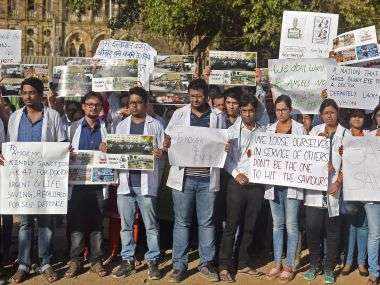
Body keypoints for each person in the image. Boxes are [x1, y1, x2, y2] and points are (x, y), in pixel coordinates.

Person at [164, 79, 226, 283]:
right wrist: (168, 143)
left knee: (207, 222)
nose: (195, 99)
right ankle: (179, 265)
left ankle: (206, 263)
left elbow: (223, 141)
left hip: (208, 179)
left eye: (199, 96)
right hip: (184, 177)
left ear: (207, 96)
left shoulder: (217, 116)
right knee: (181, 222)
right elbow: (168, 139)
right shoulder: (179, 114)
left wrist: (225, 147)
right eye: (192, 96)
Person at [6, 77, 66, 283]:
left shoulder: (53, 116)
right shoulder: (14, 117)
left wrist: (66, 151)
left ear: (40, 94)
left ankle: (45, 262)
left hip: (47, 178)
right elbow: (10, 146)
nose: (27, 96)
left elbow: (62, 143)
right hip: (23, 179)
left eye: (32, 92)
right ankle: (23, 264)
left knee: (46, 223)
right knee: (24, 223)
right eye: (24, 92)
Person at [109, 87, 165, 280]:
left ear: (145, 103)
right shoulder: (121, 126)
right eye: (131, 102)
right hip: (125, 182)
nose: (134, 105)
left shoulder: (156, 125)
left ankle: (153, 260)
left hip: (146, 183)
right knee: (126, 225)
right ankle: (127, 260)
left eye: (138, 102)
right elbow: (115, 153)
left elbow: (163, 153)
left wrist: (160, 153)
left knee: (151, 225)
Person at [218, 94, 265, 282]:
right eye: (244, 111)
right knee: (231, 226)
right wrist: (237, 174)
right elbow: (224, 159)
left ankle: (243, 263)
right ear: (240, 111)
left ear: (256, 111)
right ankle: (223, 265)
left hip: (256, 185)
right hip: (236, 184)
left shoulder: (264, 131)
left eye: (250, 110)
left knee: (250, 227)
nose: (247, 114)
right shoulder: (229, 132)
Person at [64, 92, 109, 278]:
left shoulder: (108, 129)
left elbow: (115, 156)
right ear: (83, 106)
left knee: (97, 223)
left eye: (97, 105)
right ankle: (75, 260)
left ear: (101, 107)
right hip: (77, 185)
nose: (93, 107)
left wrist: (109, 149)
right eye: (89, 104)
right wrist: (67, 152)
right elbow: (60, 153)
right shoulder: (72, 129)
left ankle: (96, 261)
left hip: (98, 185)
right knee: (76, 224)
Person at [303, 99, 346, 284]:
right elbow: (304, 156)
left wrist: (338, 181)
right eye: (326, 113)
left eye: (332, 112)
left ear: (337, 113)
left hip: (333, 190)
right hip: (314, 190)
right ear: (321, 115)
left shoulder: (345, 134)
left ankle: (329, 267)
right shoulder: (314, 131)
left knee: (333, 232)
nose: (329, 115)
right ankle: (314, 264)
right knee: (312, 230)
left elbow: (350, 163)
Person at [265, 95, 305, 282]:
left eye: (284, 109)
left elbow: (306, 156)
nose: (281, 112)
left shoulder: (300, 130)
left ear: (290, 110)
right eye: (278, 109)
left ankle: (289, 264)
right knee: (277, 225)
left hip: (292, 185)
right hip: (274, 185)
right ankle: (277, 263)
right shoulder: (269, 129)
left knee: (291, 225)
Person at [341, 109, 369, 277]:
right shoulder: (343, 135)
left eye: (360, 116)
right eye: (354, 116)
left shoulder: (371, 135)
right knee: (351, 225)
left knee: (364, 225)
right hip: (348, 185)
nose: (357, 119)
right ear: (349, 118)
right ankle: (348, 262)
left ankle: (361, 263)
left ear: (365, 119)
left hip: (368, 187)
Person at [365, 104, 380, 285]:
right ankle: (374, 272)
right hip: (371, 193)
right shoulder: (367, 137)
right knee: (375, 234)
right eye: (379, 115)